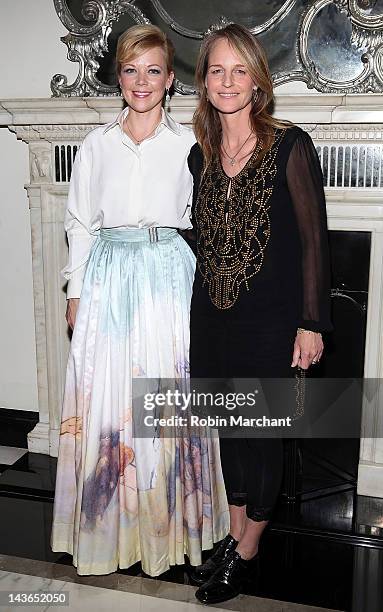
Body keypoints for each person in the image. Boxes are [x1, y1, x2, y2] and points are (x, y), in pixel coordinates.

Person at [51, 24, 228, 577]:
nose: (142, 80)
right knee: (108, 404)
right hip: (107, 281)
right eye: (132, 69)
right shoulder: (97, 144)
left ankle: (166, 531)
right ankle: (109, 531)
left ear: (171, 79)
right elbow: (79, 221)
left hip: (168, 281)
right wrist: (76, 290)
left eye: (154, 70)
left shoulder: (191, 144)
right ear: (119, 78)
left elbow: (208, 219)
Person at [187, 23, 332, 604]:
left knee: (262, 435)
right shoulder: (199, 153)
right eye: (216, 70)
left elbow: (313, 241)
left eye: (239, 69)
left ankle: (246, 552)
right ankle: (233, 533)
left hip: (271, 321)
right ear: (204, 81)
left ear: (257, 79)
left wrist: (312, 322)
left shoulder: (290, 146)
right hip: (212, 316)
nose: (227, 81)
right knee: (229, 434)